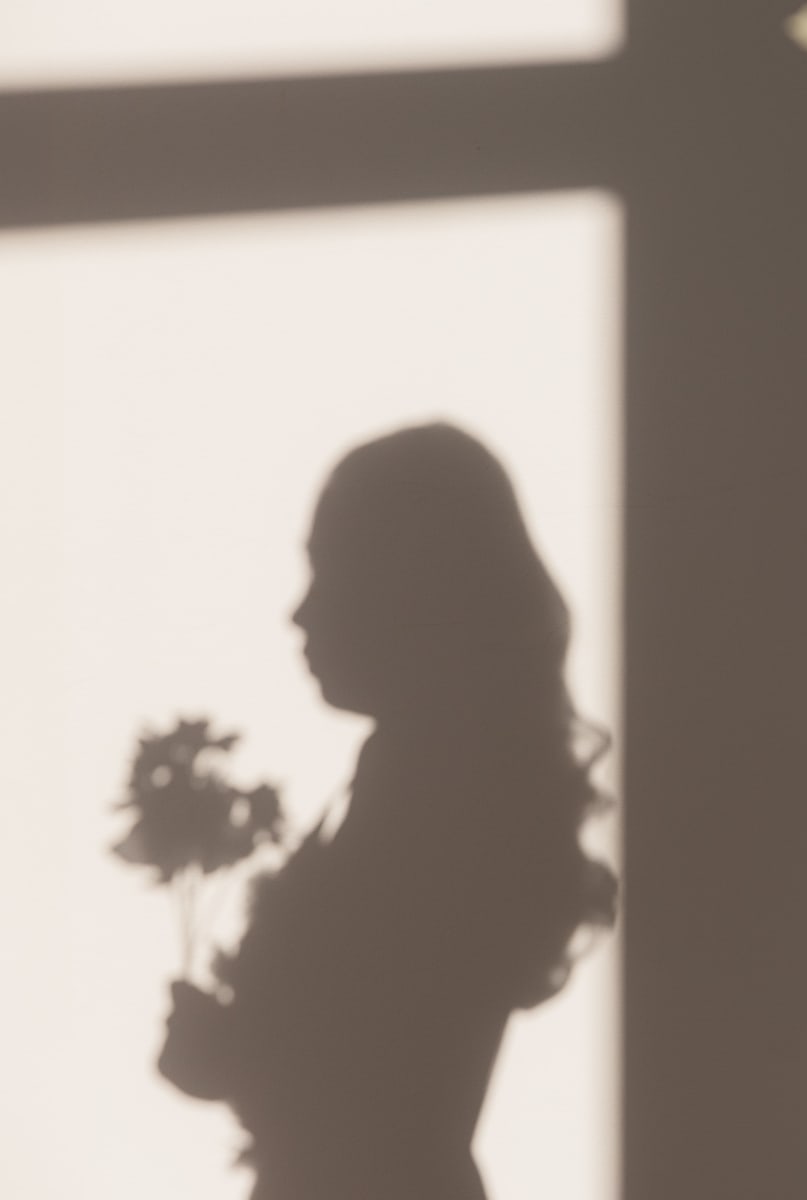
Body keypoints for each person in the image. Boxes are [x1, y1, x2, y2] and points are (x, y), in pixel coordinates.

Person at [156, 422, 619, 1199]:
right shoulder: (430, 785)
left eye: (328, 572)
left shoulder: (438, 807)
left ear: (411, 589)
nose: (300, 613)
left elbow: (380, 1091)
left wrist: (228, 1057)